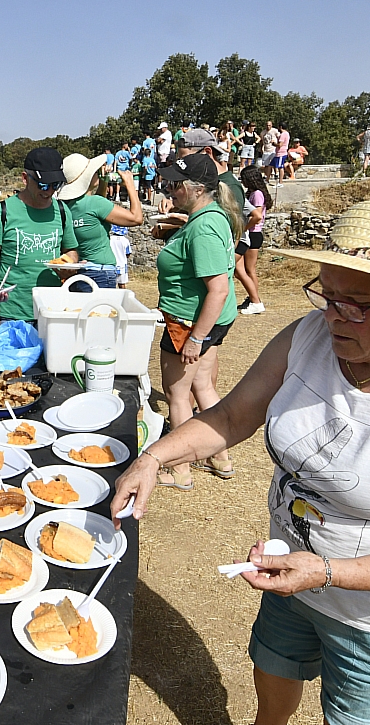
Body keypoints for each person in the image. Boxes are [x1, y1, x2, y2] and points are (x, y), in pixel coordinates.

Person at [110, 198, 370, 725]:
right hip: (294, 574)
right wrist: (155, 456)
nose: (332, 315)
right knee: (273, 668)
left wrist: (327, 572)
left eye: (356, 304)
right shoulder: (309, 336)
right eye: (326, 294)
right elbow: (235, 415)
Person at [151, 153, 242, 489]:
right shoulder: (211, 216)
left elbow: (217, 289)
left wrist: (195, 338)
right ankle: (220, 456)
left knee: (177, 394)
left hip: (189, 322)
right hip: (209, 321)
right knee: (203, 386)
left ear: (197, 189)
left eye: (177, 184)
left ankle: (179, 469)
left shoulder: (203, 228)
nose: (170, 189)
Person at [0, 147, 79, 323]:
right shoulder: (3, 211)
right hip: (10, 314)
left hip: (52, 311)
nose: (49, 191)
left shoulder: (62, 211)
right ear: (25, 178)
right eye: (43, 185)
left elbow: (70, 251)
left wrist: (69, 266)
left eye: (56, 185)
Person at [57, 152, 144, 292]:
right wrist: (130, 184)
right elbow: (136, 218)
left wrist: (103, 182)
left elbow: (94, 210)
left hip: (78, 271)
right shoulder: (95, 203)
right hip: (101, 273)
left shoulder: (66, 206)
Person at [235, 166, 271, 316]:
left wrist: (243, 228)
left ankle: (254, 299)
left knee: (249, 270)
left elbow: (256, 217)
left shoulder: (257, 194)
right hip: (251, 232)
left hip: (253, 233)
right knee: (243, 270)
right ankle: (252, 297)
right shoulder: (254, 193)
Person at [109, 224, 131, 288]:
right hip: (122, 265)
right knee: (122, 284)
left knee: (111, 285)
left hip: (111, 265)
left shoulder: (109, 239)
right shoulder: (125, 241)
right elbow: (128, 254)